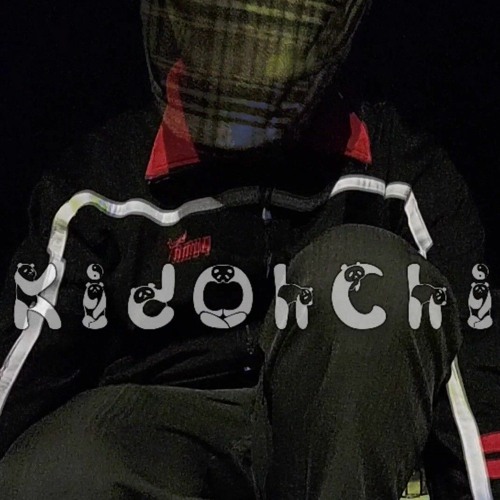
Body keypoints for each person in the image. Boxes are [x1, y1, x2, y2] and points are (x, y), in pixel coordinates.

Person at [0, 0, 497, 498]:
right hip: (163, 450)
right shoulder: (99, 188)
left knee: (376, 277)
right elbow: (17, 386)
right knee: (51, 470)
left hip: (343, 463)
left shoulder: (399, 172)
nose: (246, 39)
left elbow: (475, 395)